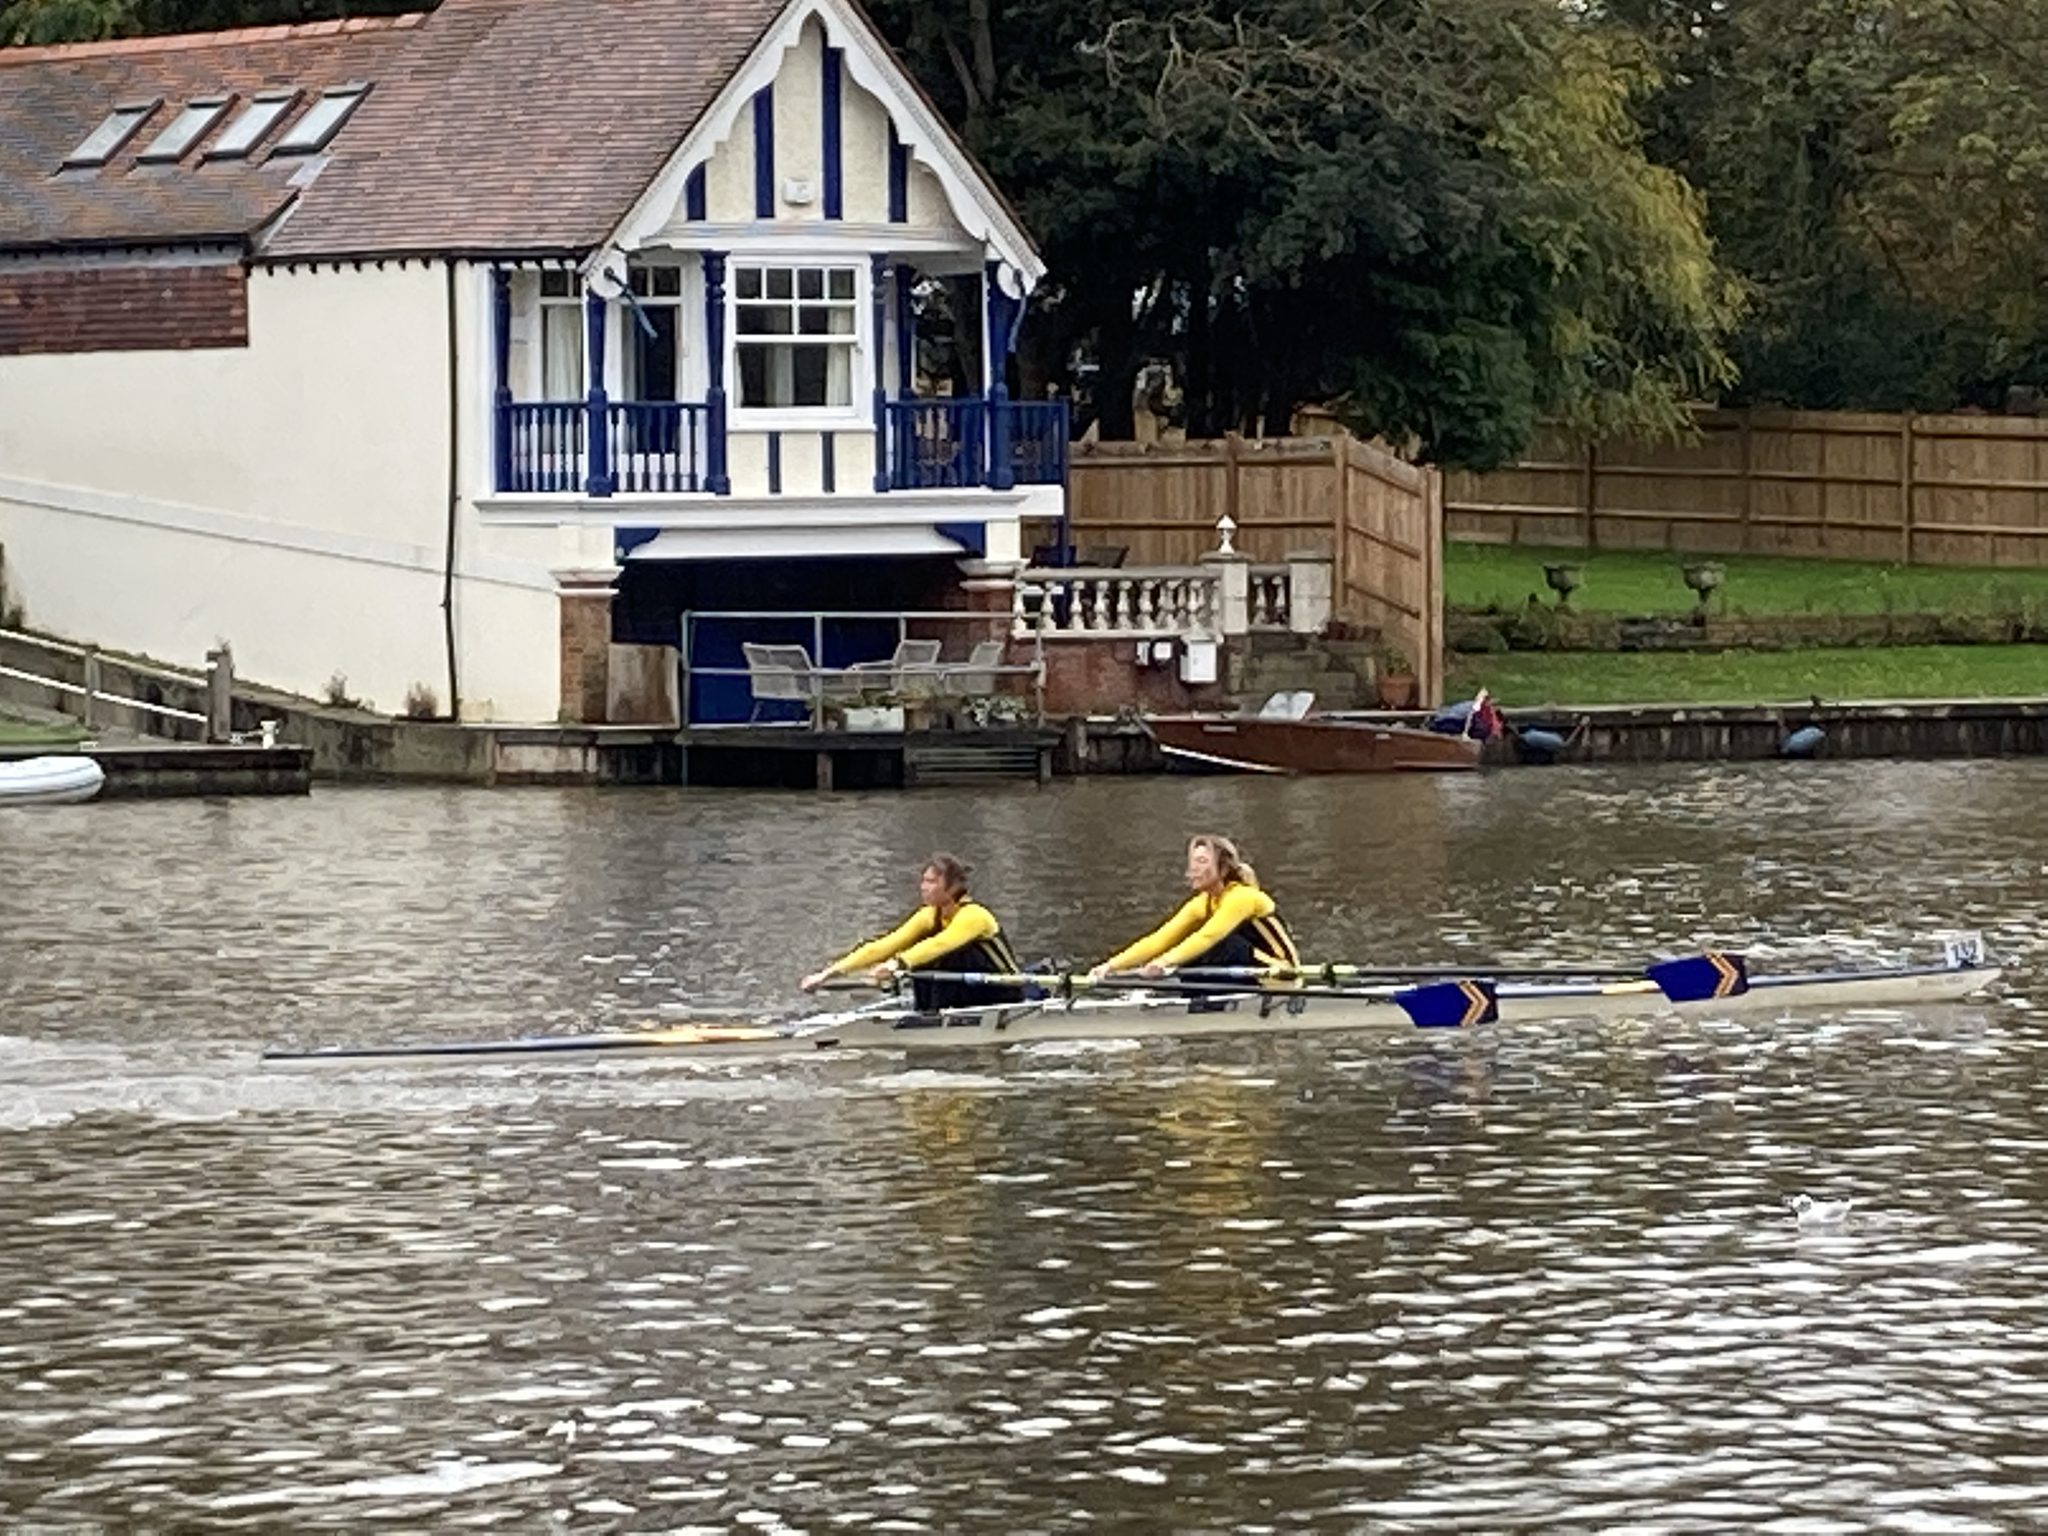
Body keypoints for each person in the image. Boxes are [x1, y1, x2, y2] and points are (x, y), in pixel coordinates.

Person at [799, 853, 1025, 1011]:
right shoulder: (930, 915)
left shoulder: (975, 915)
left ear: (953, 886)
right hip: (963, 993)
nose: (923, 887)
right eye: (923, 881)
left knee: (936, 953)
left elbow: (939, 945)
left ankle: (937, 1019)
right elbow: (885, 945)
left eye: (931, 882)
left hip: (1001, 992)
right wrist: (827, 974)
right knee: (916, 949)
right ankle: (929, 1014)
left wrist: (897, 965)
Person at [1089, 834, 1300, 980]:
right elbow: (1159, 939)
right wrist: (1110, 966)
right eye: (1192, 862)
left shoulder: (1241, 897)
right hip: (1246, 971)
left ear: (1223, 869)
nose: (1192, 869)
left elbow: (1207, 937)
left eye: (1201, 862)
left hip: (1279, 973)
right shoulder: (1203, 903)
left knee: (1222, 944)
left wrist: (1165, 962)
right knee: (1188, 947)